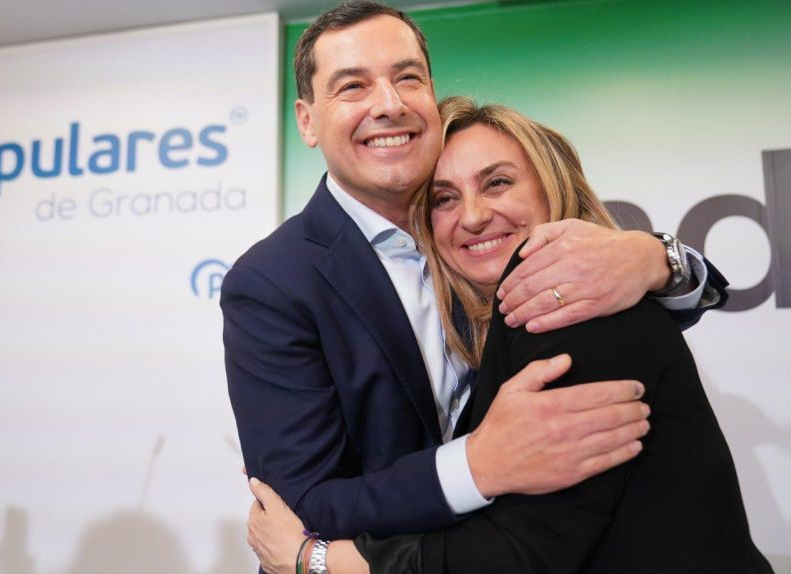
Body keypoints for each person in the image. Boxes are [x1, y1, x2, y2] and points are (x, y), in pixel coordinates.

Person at [223, 0, 725, 554]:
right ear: (307, 120)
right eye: (352, 86)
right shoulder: (272, 283)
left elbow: (622, 330)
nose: (389, 104)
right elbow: (300, 505)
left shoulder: (489, 248)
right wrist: (477, 464)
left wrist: (658, 259)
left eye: (407, 78)